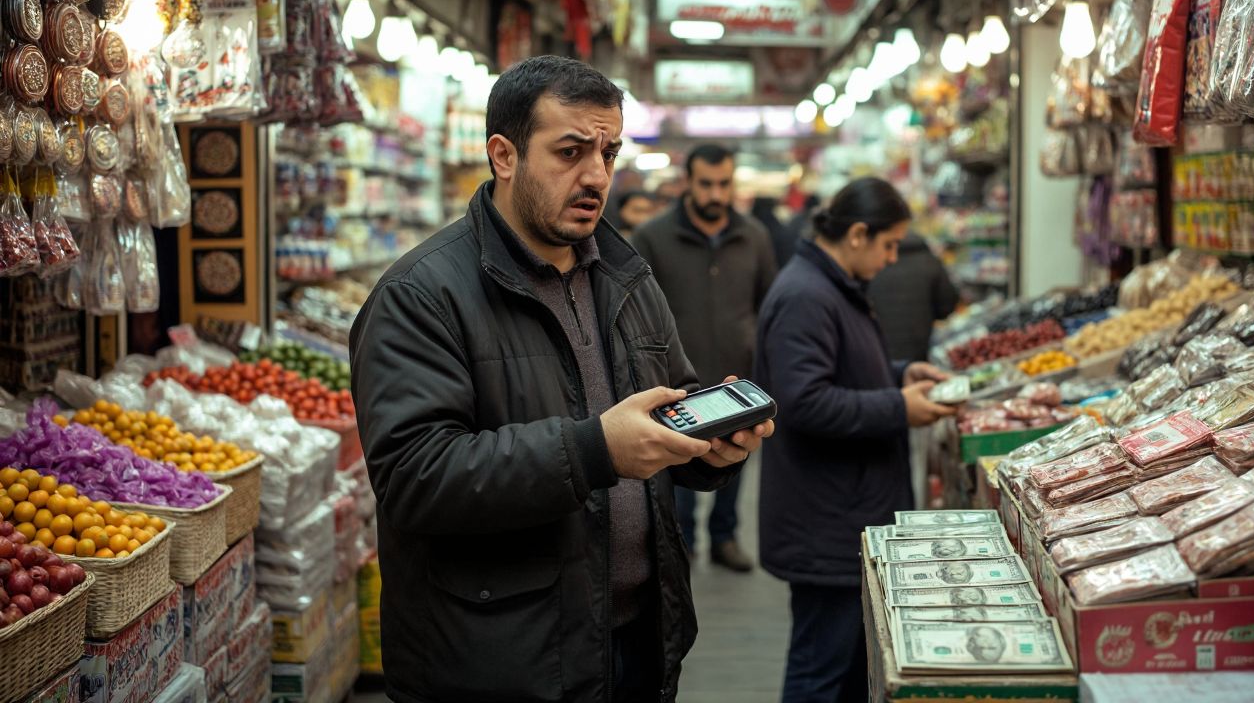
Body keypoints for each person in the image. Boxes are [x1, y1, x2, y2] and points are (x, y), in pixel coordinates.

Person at [349, 55, 772, 703]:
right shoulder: (421, 295)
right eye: (571, 151)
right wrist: (595, 450)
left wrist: (709, 451)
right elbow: (414, 477)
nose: (597, 175)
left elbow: (671, 399)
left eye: (609, 152)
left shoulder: (626, 276)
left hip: (635, 640)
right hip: (502, 662)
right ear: (504, 155)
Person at [755, 177, 957, 703]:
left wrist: (897, 374)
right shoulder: (806, 295)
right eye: (889, 245)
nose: (892, 259)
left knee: (844, 670)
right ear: (857, 234)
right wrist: (899, 407)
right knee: (819, 671)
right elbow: (805, 402)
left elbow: (843, 371)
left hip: (842, 512)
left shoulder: (833, 286)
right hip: (827, 521)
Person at [632, 144, 777, 572]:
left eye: (724, 184)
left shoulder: (754, 236)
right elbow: (637, 311)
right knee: (676, 467)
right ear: (688, 183)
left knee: (734, 458)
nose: (716, 194)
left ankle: (724, 538)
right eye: (707, 184)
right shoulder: (653, 238)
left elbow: (767, 304)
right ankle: (683, 543)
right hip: (675, 383)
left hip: (735, 382)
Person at [869, 231, 960, 363]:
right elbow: (947, 306)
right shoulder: (930, 262)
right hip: (918, 346)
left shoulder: (874, 263)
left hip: (878, 348)